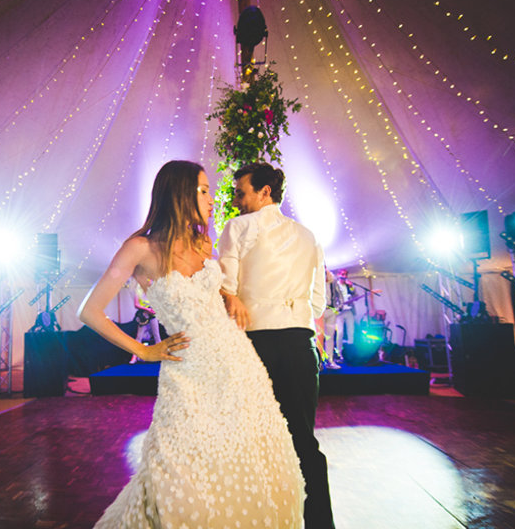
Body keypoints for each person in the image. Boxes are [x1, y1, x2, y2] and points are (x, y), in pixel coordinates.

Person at [78, 160, 304, 527]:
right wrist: (143, 350)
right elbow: (89, 311)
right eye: (202, 190)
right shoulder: (141, 248)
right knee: (179, 469)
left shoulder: (202, 243)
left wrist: (229, 296)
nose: (212, 198)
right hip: (189, 371)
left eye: (209, 190)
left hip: (239, 365)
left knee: (249, 458)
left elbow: (209, 293)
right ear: (178, 193)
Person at [219, 161, 335, 529]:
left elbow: (226, 287)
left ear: (264, 191)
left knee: (252, 439)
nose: (236, 200)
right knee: (303, 439)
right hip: (301, 343)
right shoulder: (308, 235)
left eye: (241, 192)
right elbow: (319, 300)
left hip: (255, 345)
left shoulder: (237, 227)